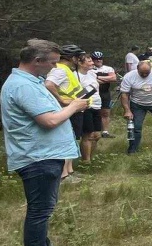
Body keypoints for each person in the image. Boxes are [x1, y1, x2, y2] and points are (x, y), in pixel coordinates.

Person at [1, 39, 88, 246]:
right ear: (37, 61)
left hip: (44, 155)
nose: (54, 68)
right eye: (51, 63)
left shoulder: (32, 82)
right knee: (40, 210)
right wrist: (74, 107)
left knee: (44, 207)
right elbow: (48, 120)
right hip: (37, 157)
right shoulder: (23, 86)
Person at [44, 44, 85, 181]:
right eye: (78, 58)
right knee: (68, 141)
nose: (79, 60)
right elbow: (49, 84)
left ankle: (69, 171)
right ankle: (64, 175)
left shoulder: (65, 69)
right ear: (73, 58)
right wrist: (61, 100)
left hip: (74, 109)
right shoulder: (60, 70)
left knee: (73, 140)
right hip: (67, 110)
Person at [77, 54, 103, 164]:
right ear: (80, 63)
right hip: (86, 107)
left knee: (97, 135)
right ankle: (86, 161)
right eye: (89, 61)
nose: (92, 63)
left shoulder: (92, 73)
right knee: (88, 134)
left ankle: (91, 158)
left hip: (97, 105)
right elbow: (76, 93)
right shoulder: (76, 75)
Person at [92, 51, 119, 137]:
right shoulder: (90, 69)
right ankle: (94, 130)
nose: (98, 60)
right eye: (96, 59)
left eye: (100, 59)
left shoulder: (108, 68)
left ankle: (105, 132)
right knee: (95, 112)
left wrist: (98, 77)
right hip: (93, 93)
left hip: (105, 93)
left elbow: (113, 78)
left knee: (106, 112)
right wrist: (106, 79)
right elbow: (92, 81)